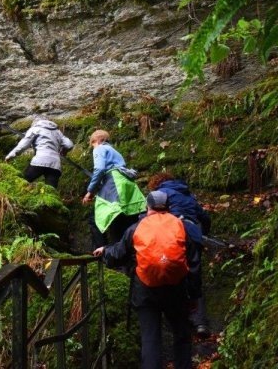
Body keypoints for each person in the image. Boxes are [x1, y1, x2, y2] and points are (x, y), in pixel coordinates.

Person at [93, 190, 202, 369]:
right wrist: (194, 296)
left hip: (145, 290)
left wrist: (105, 250)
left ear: (147, 207)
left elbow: (118, 254)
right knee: (181, 335)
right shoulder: (180, 225)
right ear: (168, 207)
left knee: (151, 339)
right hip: (176, 290)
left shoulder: (137, 227)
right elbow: (194, 263)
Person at [148, 172, 212, 338]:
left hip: (173, 235)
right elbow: (205, 217)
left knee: (173, 272)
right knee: (194, 275)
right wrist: (201, 233)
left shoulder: (161, 195)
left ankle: (176, 320)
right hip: (193, 235)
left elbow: (154, 216)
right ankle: (200, 323)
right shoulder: (188, 195)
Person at [82, 129, 146, 248]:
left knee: (110, 217)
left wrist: (90, 192)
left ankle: (107, 254)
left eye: (92, 144)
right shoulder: (114, 151)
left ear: (97, 141)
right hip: (126, 184)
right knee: (127, 219)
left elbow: (100, 169)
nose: (93, 148)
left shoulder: (99, 148)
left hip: (114, 185)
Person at [4, 118, 74, 188]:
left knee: (23, 183)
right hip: (55, 164)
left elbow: (22, 146)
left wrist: (10, 156)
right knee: (51, 190)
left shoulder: (35, 129)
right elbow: (69, 144)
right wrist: (63, 151)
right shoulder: (57, 132)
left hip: (40, 160)